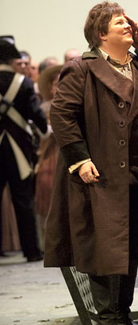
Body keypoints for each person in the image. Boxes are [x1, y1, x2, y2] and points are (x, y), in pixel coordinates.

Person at [44, 1, 138, 325]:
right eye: (119, 23)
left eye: (129, 22)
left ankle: (123, 316)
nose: (128, 26)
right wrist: (79, 159)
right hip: (102, 175)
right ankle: (106, 322)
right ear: (100, 33)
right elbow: (61, 116)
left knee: (129, 248)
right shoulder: (82, 69)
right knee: (107, 249)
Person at [0, 36, 48, 262]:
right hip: (18, 149)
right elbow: (36, 116)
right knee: (23, 200)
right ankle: (31, 251)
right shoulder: (23, 83)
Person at [34, 64, 62, 250]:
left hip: (63, 153)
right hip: (51, 156)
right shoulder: (45, 107)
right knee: (48, 198)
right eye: (56, 84)